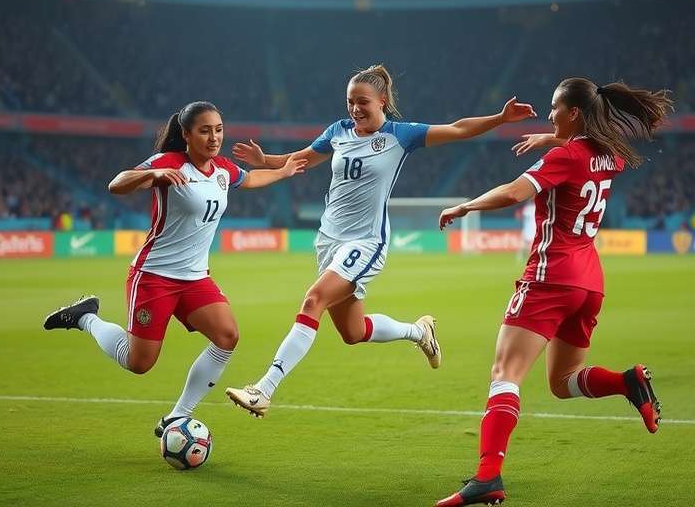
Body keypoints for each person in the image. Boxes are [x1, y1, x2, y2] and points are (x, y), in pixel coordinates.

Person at [225, 64, 536, 418]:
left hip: (365, 242)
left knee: (313, 300)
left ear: (382, 101)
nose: (355, 109)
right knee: (353, 332)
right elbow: (300, 161)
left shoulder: (401, 135)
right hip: (328, 241)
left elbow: (457, 129)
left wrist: (500, 118)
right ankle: (419, 332)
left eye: (363, 102)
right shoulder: (338, 131)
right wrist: (264, 160)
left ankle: (264, 389)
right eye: (350, 101)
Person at [434, 78, 672, 506]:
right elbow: (587, 152)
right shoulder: (610, 155)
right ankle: (627, 382)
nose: (549, 115)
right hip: (590, 282)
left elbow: (514, 192)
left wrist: (466, 205)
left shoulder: (566, 156)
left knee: (505, 374)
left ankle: (488, 477)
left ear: (574, 113)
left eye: (554, 108)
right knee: (562, 382)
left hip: (551, 276)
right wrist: (554, 139)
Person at [43, 101, 306, 436]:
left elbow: (250, 178)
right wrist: (150, 175)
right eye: (205, 131)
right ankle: (86, 317)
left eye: (218, 130)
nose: (214, 138)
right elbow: (117, 183)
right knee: (139, 363)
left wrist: (283, 171)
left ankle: (177, 416)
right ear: (186, 134)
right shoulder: (169, 163)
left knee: (227, 336)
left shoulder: (222, 169)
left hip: (195, 278)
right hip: (154, 276)